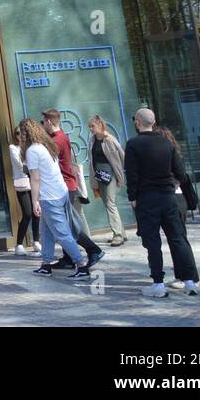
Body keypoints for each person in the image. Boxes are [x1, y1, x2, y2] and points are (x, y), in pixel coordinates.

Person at [125, 108, 199, 297]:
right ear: (154, 121)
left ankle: (158, 283)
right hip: (169, 196)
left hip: (147, 198)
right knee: (177, 237)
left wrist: (132, 196)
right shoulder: (167, 143)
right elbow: (181, 173)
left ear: (138, 123)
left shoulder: (133, 145)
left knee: (152, 241)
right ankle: (189, 281)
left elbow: (131, 175)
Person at [21, 118, 92, 279]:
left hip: (49, 197)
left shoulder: (32, 151)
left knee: (62, 233)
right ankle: (46, 264)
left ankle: (81, 266)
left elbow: (35, 178)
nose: (20, 137)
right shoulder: (46, 146)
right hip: (60, 192)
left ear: (26, 134)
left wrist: (35, 201)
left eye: (21, 133)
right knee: (46, 231)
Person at [41, 110, 103, 270]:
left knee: (69, 226)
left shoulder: (57, 140)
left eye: (43, 123)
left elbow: (46, 163)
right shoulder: (60, 137)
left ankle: (93, 250)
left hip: (65, 187)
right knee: (66, 225)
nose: (42, 126)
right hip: (65, 186)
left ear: (48, 122)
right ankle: (68, 258)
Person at [89, 115, 127, 246]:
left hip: (109, 175)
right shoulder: (93, 140)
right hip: (99, 175)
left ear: (100, 125)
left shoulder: (109, 139)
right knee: (107, 203)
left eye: (92, 126)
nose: (91, 129)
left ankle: (118, 234)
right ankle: (121, 232)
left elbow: (121, 156)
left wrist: (119, 175)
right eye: (90, 126)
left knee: (110, 203)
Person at [9, 125, 39, 256]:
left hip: (34, 181)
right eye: (17, 133)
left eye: (23, 133)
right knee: (27, 213)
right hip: (22, 183)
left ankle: (36, 241)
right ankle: (19, 244)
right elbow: (20, 165)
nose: (20, 136)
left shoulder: (31, 147)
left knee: (36, 212)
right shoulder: (13, 148)